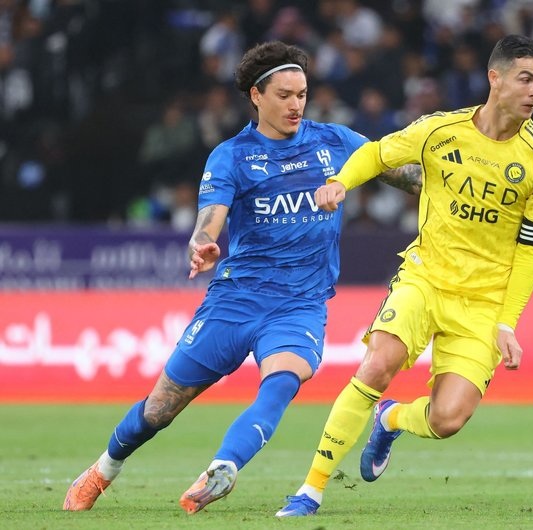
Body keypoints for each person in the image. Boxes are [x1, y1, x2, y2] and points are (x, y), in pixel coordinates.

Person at [62, 40, 421, 514]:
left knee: (282, 382)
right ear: (256, 95)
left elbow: (407, 175)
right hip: (236, 299)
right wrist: (203, 244)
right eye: (285, 95)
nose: (296, 105)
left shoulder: (335, 142)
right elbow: (208, 221)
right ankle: (103, 469)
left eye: (302, 94)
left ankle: (223, 468)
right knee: (159, 409)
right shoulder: (231, 156)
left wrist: (456, 177)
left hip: (300, 304)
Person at [277, 34, 533, 517]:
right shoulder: (440, 130)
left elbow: (531, 250)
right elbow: (377, 154)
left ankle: (391, 419)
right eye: (525, 79)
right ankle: (310, 490)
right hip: (425, 279)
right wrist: (340, 182)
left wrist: (507, 321)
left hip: (483, 303)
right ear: (495, 78)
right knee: (377, 365)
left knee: (447, 419)